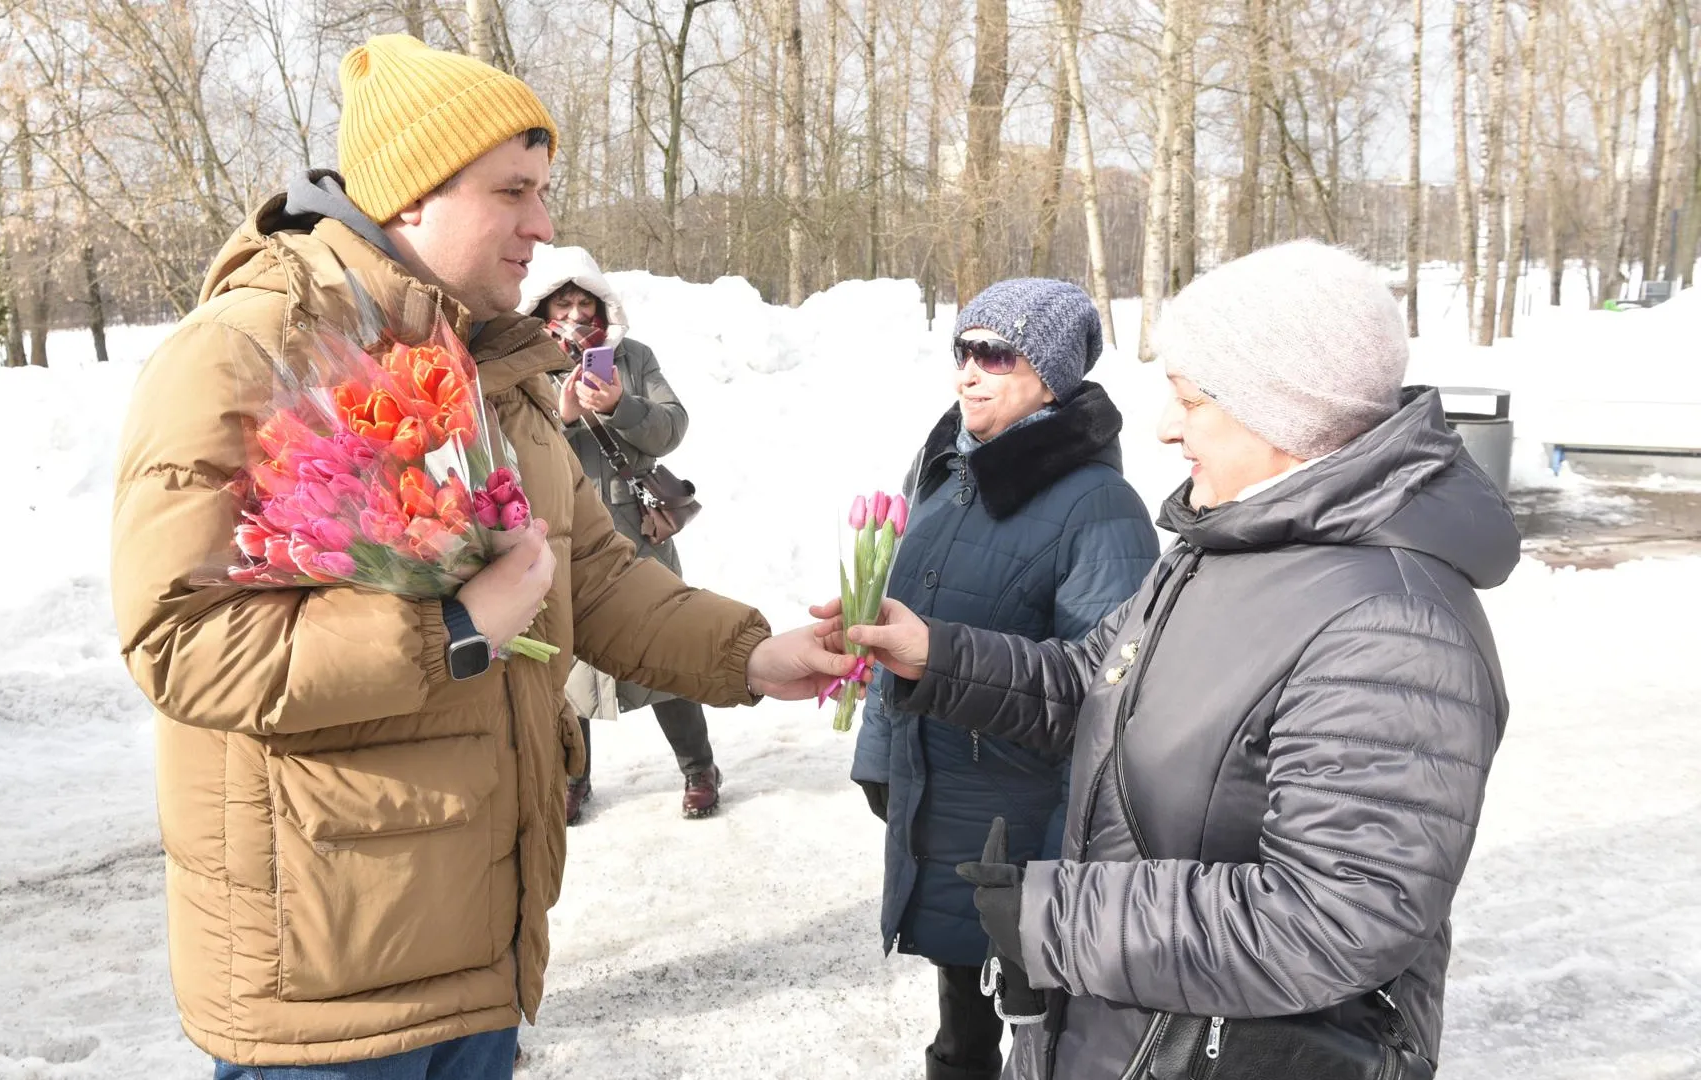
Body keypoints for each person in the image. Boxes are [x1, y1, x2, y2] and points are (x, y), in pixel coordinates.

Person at [110, 38, 853, 1079]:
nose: (543, 226)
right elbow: (180, 639)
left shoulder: (495, 360)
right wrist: (451, 629)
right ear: (410, 197)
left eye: (542, 191)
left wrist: (750, 654)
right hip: (331, 984)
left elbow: (589, 572)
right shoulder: (250, 349)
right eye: (513, 191)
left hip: (482, 954)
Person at [829, 241, 1518, 1080]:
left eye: (1190, 398)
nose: (1163, 425)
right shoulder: (1226, 544)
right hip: (1134, 1028)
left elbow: (1334, 919)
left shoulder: (1390, 627)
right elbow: (1094, 684)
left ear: (1283, 410)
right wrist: (932, 656)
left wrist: (1059, 919)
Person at [847, 280, 1157, 1080]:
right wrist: (879, 755)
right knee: (961, 1033)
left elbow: (1107, 703)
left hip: (1022, 830)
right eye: (964, 349)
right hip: (941, 801)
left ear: (1051, 376)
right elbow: (902, 627)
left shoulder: (1102, 509)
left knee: (1044, 1040)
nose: (969, 372)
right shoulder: (946, 472)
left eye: (996, 354)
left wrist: (1065, 864)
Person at [516, 246, 724, 824]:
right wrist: (561, 419)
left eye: (584, 303)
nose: (575, 314)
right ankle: (573, 777)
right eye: (563, 303)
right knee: (569, 659)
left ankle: (699, 768)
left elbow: (672, 426)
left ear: (601, 304)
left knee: (665, 649)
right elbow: (512, 448)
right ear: (544, 307)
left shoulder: (633, 357)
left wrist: (618, 405)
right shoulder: (525, 363)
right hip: (563, 535)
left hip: (638, 534)